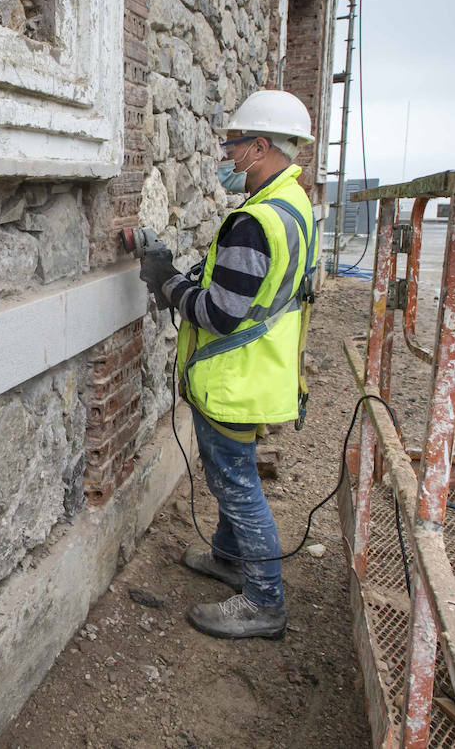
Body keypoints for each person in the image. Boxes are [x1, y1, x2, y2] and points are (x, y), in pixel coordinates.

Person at [138, 89, 317, 640]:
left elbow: (220, 313)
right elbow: (248, 289)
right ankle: (227, 557)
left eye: (233, 145)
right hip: (262, 370)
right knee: (232, 476)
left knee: (235, 482)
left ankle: (265, 601)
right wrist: (184, 273)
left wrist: (167, 283)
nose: (226, 155)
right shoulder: (294, 206)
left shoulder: (255, 221)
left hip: (235, 376)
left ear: (260, 147)